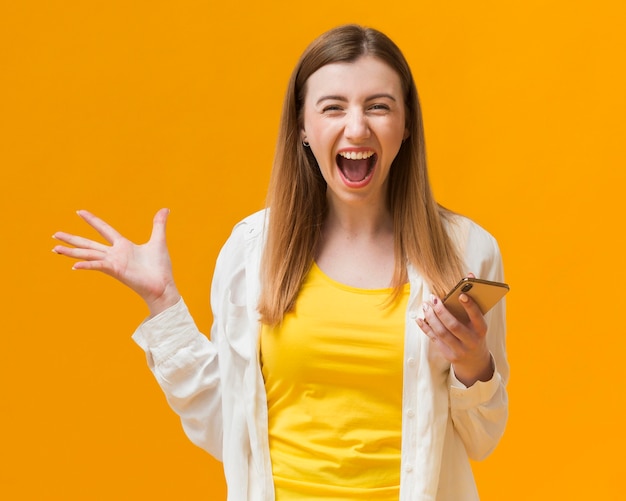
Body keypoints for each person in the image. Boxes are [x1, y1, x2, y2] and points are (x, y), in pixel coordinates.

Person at [52, 24, 508, 501]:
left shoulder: (466, 253)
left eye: (379, 106)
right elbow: (227, 425)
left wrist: (474, 365)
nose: (357, 127)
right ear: (303, 128)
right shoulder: (253, 250)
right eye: (333, 107)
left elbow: (481, 440)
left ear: (406, 124)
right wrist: (162, 301)